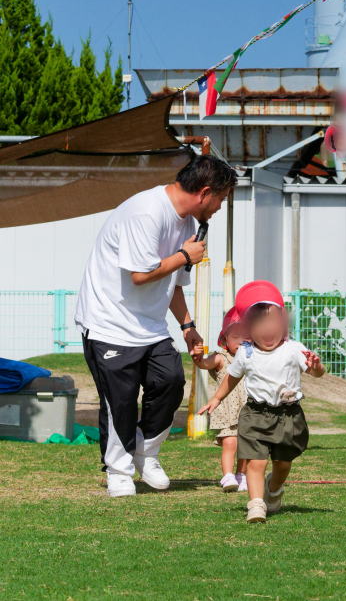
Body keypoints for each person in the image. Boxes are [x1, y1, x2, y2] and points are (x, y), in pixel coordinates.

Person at [75, 155, 237, 497]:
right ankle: (118, 471)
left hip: (150, 326)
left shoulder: (186, 223)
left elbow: (173, 283)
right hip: (108, 323)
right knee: (119, 401)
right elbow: (140, 274)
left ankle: (146, 453)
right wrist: (184, 255)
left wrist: (187, 326)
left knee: (170, 382)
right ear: (205, 193)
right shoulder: (146, 212)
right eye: (221, 199)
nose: (220, 207)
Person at [199, 281, 325, 524]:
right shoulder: (246, 352)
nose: (267, 330)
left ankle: (274, 488)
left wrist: (316, 367)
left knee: (282, 464)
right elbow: (231, 378)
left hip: (289, 416)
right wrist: (216, 399)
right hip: (255, 414)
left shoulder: (293, 349)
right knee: (255, 462)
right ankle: (256, 504)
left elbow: (316, 373)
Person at [191, 307, 250, 492]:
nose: (241, 341)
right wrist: (198, 357)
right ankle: (228, 476)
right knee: (230, 442)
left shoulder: (252, 358)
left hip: (248, 410)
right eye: (236, 337)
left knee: (246, 446)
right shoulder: (221, 358)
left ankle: (242, 475)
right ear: (224, 340)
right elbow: (204, 364)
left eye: (246, 337)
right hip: (227, 410)